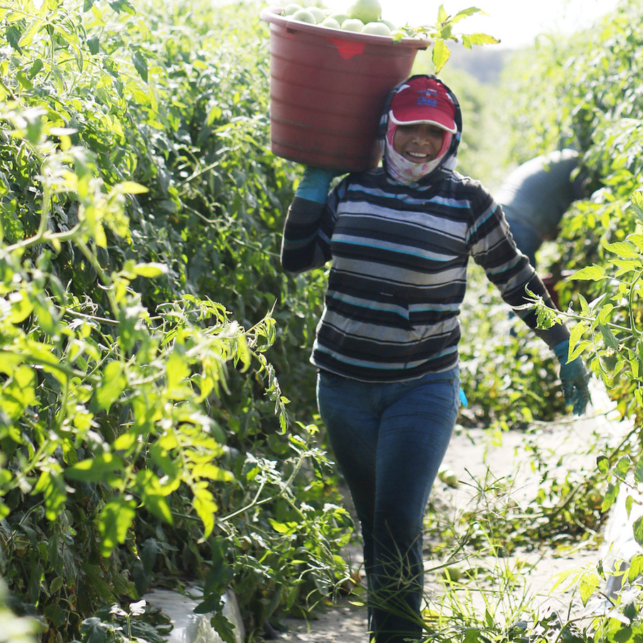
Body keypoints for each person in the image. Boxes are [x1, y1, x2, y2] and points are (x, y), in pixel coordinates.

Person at [279, 75, 590, 643]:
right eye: (409, 129)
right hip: (344, 386)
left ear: (451, 138)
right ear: (386, 130)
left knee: (397, 521)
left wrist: (563, 345)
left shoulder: (468, 201)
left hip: (420, 387)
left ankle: (401, 635)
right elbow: (297, 259)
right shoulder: (352, 191)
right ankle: (386, 629)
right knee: (376, 524)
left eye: (434, 131)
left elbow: (515, 278)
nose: (420, 141)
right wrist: (310, 190)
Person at [496, 149, 585, 268]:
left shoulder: (559, 160)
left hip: (502, 218)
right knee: (525, 284)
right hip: (516, 222)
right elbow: (584, 206)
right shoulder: (576, 165)